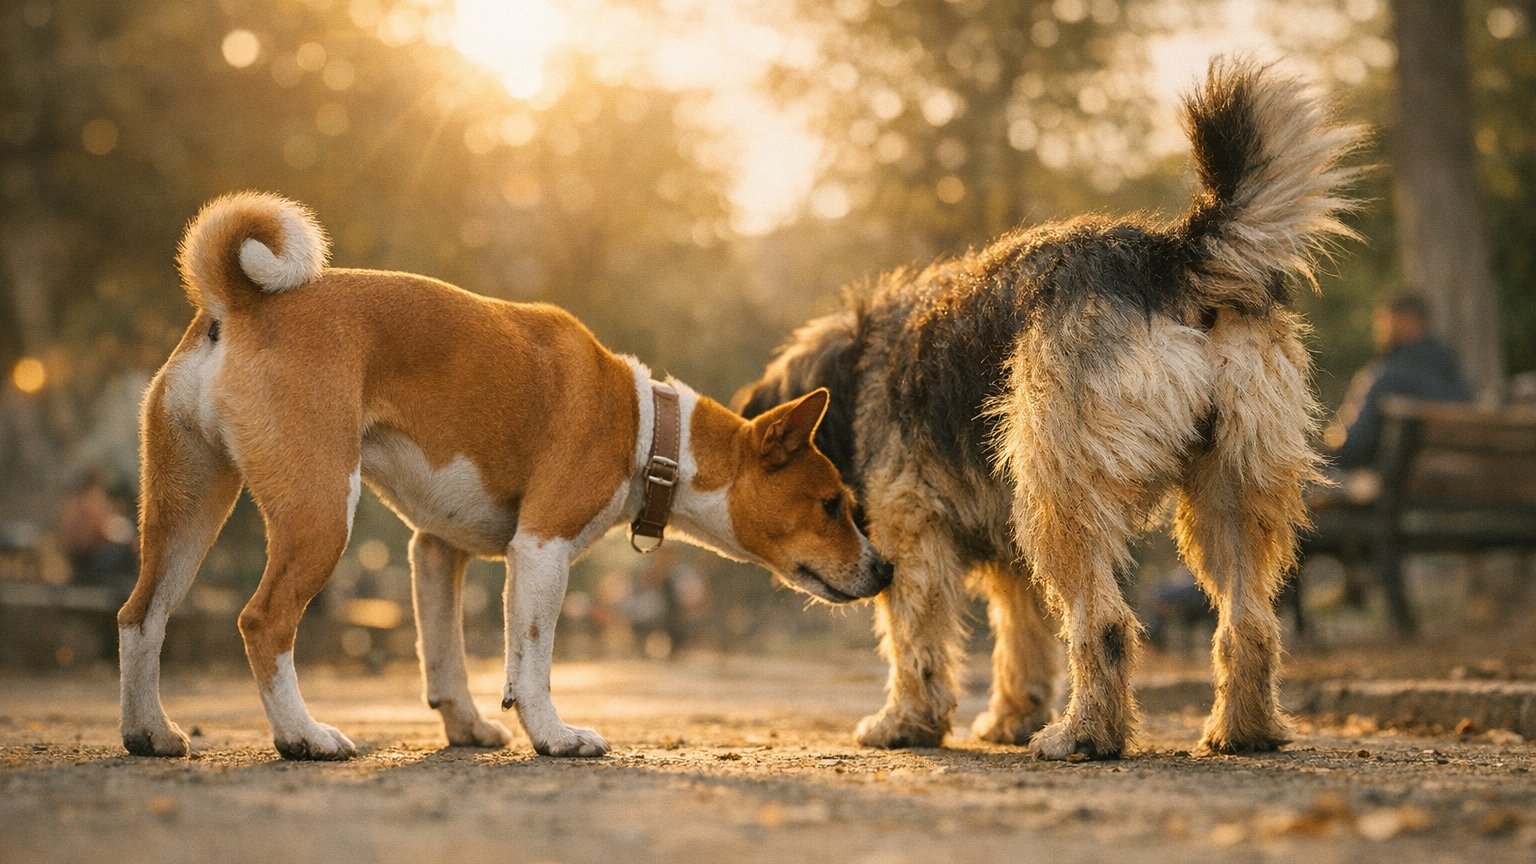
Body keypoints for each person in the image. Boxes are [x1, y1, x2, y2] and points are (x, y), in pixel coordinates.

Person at [1327, 294, 1472, 469]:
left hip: (1394, 490)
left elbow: (1355, 446)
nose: (1379, 328)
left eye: (1383, 320)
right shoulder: (1457, 381)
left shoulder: (1388, 378)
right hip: (1457, 488)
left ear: (1405, 321)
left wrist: (1321, 449)